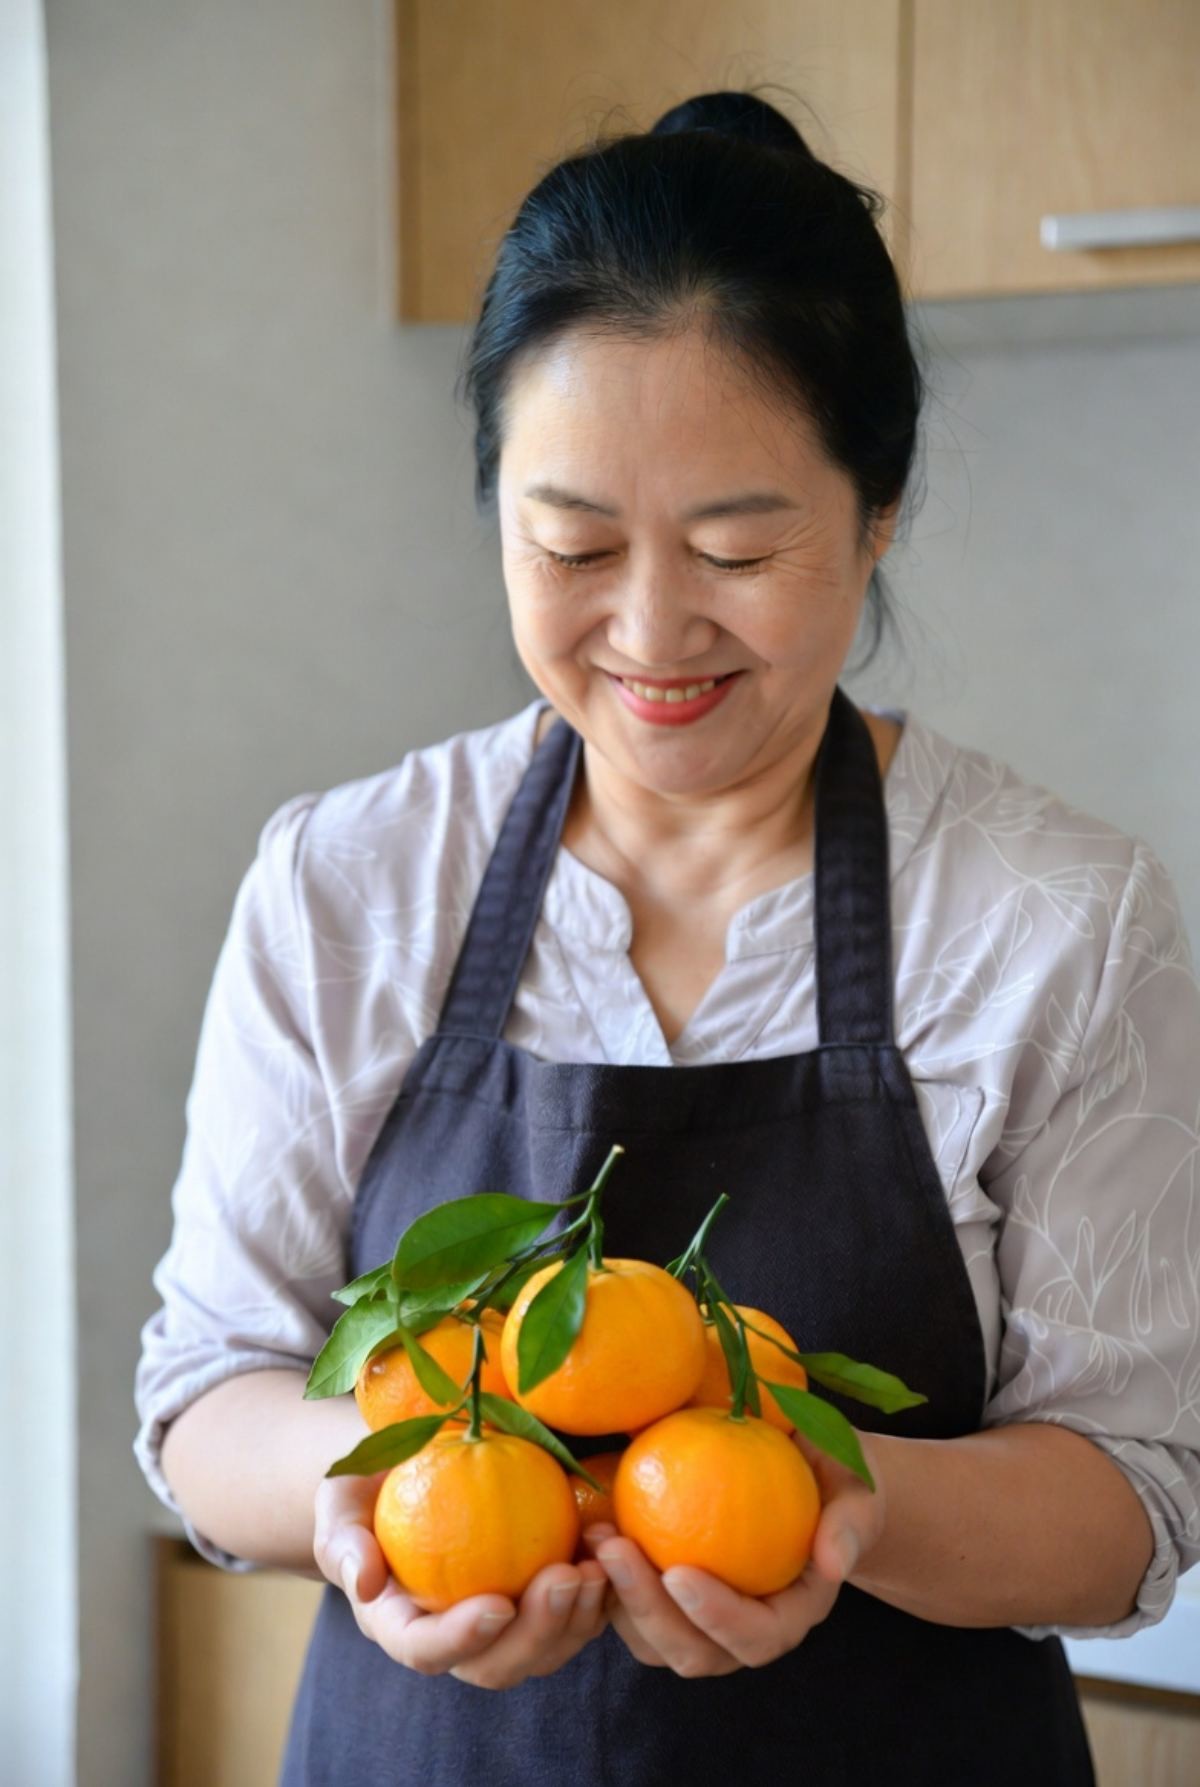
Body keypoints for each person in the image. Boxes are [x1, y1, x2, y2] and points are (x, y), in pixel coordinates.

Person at [135, 89, 1200, 1785]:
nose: (647, 630)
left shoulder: (1053, 918)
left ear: (879, 513)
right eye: (570, 544)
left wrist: (838, 1503)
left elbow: (1133, 1498)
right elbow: (211, 1395)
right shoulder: (350, 880)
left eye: (738, 547)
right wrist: (370, 1507)